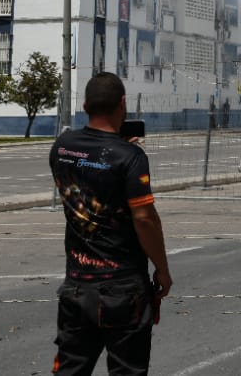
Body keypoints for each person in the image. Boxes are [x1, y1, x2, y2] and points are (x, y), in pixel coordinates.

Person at [50, 73, 172, 375]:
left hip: (77, 283)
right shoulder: (130, 157)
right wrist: (163, 270)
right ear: (122, 104)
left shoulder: (62, 147)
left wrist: (113, 146)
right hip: (122, 286)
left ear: (85, 105)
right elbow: (144, 219)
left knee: (70, 369)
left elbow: (91, 167)